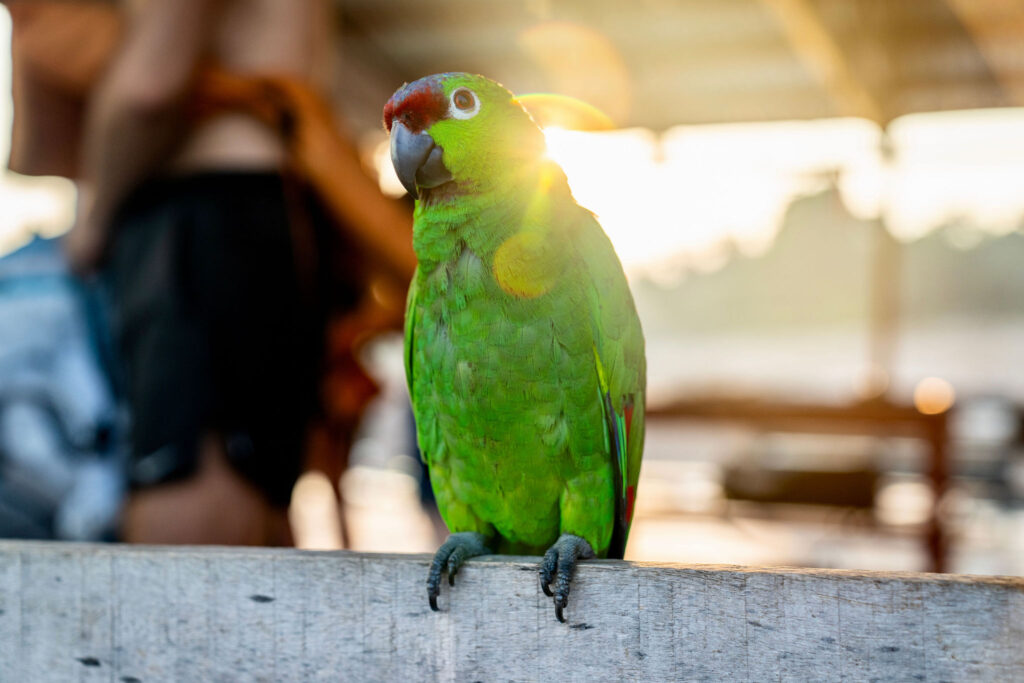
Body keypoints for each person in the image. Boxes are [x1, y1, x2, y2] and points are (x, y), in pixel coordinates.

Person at [66, 0, 340, 545]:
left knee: (190, 478)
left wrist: (93, 220)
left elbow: (152, 85)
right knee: (251, 480)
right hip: (258, 211)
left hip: (202, 221)